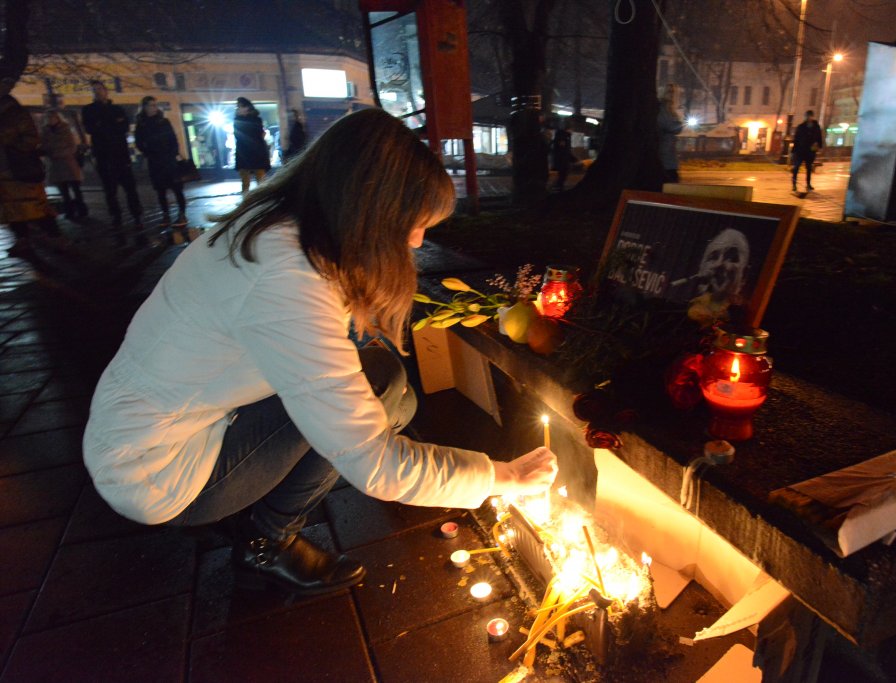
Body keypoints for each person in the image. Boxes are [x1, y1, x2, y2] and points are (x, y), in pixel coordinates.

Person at [83, 108, 558, 597]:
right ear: (368, 209)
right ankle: (267, 540)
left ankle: (256, 504)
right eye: (412, 224)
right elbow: (375, 464)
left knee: (388, 387)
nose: (417, 241)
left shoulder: (274, 224)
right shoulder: (287, 278)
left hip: (155, 424)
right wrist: (504, 476)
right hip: (158, 470)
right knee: (378, 396)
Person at [0, 74, 62, 257]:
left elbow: (31, 139)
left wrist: (11, 144)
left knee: (33, 206)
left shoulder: (16, 113)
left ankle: (56, 237)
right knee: (11, 209)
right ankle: (22, 240)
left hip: (18, 167)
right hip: (3, 170)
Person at [82, 80, 145, 243]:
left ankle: (137, 215)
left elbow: (123, 127)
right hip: (103, 156)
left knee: (130, 188)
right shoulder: (88, 110)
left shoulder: (117, 109)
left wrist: (104, 126)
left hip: (120, 155)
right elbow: (90, 128)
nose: (97, 92)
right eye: (94, 90)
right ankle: (116, 217)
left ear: (106, 91)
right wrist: (110, 125)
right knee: (110, 191)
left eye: (99, 89)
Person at [134, 96, 187, 230]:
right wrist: (148, 152)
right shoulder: (141, 124)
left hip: (169, 160)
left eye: (155, 105)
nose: (154, 108)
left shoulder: (163, 121)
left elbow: (173, 139)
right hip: (155, 161)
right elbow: (139, 142)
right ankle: (166, 215)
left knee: (177, 188)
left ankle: (182, 214)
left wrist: (173, 153)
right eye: (151, 105)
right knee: (160, 190)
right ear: (145, 107)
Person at [39, 108, 87, 220]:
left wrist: (58, 153)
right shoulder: (45, 131)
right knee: (63, 190)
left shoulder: (65, 129)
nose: (50, 119)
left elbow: (72, 146)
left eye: (52, 117)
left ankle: (81, 209)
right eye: (48, 118)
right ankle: (69, 210)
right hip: (55, 164)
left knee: (75, 188)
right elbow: (43, 145)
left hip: (67, 162)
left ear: (57, 118)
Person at [233, 97, 271, 193]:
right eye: (237, 107)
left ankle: (260, 198)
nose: (238, 109)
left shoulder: (255, 120)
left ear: (247, 108)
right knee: (246, 180)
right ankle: (247, 199)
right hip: (245, 153)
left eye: (240, 106)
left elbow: (259, 134)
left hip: (254, 153)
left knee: (260, 179)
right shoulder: (239, 120)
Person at [791, 109, 823, 192]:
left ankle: (808, 184)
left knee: (809, 168)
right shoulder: (801, 127)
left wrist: (819, 146)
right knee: (796, 167)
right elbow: (796, 139)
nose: (808, 118)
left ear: (812, 117)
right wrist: (793, 151)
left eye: (809, 116)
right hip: (800, 151)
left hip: (810, 151)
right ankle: (794, 184)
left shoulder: (816, 127)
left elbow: (819, 137)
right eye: (806, 116)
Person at [658, 85, 684, 184]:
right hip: (664, 155)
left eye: (673, 92)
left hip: (668, 154)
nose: (672, 94)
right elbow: (672, 126)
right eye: (669, 91)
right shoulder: (662, 109)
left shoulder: (670, 110)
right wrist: (678, 123)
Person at [549, 121, 574, 192]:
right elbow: (563, 149)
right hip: (562, 160)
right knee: (562, 174)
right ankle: (557, 187)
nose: (572, 131)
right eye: (571, 129)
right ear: (568, 129)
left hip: (562, 159)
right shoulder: (563, 136)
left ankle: (558, 186)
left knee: (562, 174)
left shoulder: (565, 136)